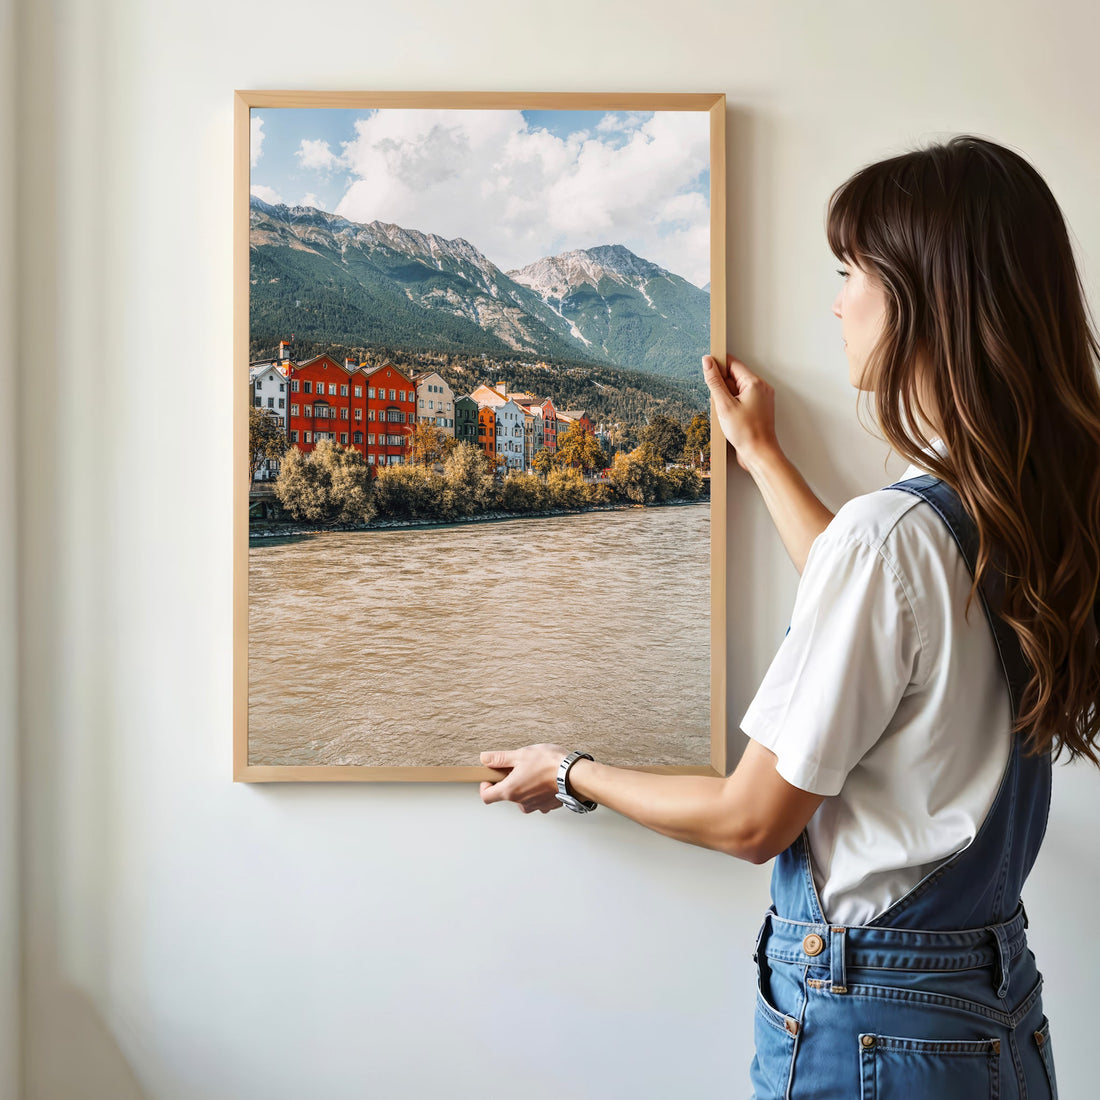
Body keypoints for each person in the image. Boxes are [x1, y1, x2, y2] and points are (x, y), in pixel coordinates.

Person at [478, 134, 1100, 1098]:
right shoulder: (1024, 511)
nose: (838, 302)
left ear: (924, 299)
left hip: (874, 1031)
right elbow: (884, 620)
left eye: (852, 273)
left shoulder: (895, 536)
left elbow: (749, 820)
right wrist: (763, 455)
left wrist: (567, 771)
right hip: (992, 1016)